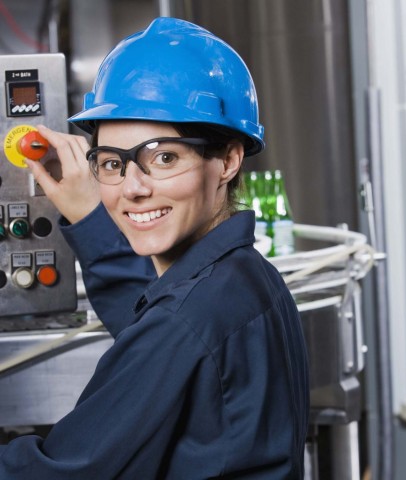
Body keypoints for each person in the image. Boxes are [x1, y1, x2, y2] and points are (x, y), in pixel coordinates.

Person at [0, 17, 309, 479]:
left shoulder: (186, 321)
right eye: (112, 163)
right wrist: (90, 219)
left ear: (227, 160)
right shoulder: (247, 278)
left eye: (164, 157)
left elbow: (58, 473)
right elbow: (151, 319)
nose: (133, 188)